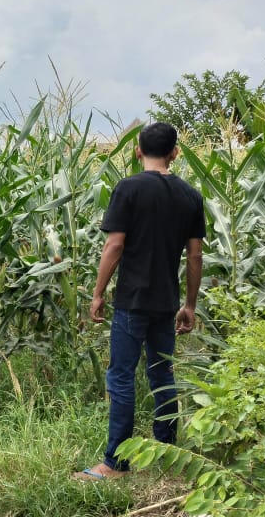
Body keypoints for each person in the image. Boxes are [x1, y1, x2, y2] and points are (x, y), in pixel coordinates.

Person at [76, 121, 205, 480]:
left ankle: (115, 463)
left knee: (121, 376)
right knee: (162, 374)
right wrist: (189, 305)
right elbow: (195, 257)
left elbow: (114, 245)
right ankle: (168, 453)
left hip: (132, 300)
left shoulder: (128, 188)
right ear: (175, 153)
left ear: (137, 151)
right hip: (166, 303)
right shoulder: (191, 196)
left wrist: (99, 292)